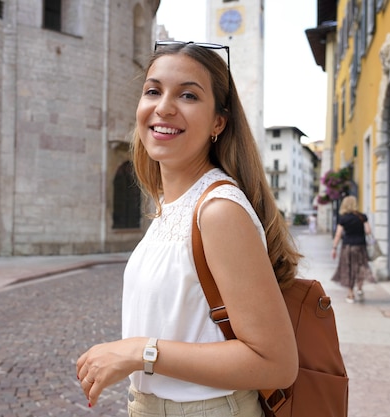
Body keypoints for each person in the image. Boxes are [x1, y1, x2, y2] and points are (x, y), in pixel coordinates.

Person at [76, 41, 301, 416]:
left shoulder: (218, 211)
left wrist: (139, 351)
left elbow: (275, 362)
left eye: (188, 95)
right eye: (153, 90)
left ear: (218, 122)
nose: (163, 107)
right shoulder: (171, 205)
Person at [330, 195, 374, 303]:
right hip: (360, 246)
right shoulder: (362, 216)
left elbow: (338, 235)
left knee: (348, 269)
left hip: (348, 247)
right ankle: (359, 287)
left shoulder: (344, 218)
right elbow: (368, 231)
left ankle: (350, 294)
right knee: (360, 266)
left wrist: (334, 248)